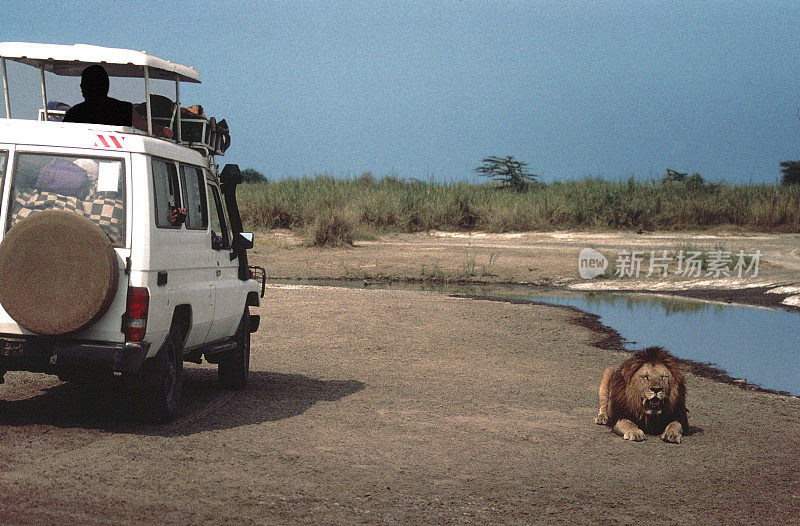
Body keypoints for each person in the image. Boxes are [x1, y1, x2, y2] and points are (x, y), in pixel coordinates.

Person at [64, 65, 173, 138]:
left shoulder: (74, 112)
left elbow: (141, 123)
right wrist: (162, 130)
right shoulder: (122, 108)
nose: (81, 87)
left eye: (86, 84)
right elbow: (142, 124)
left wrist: (161, 130)